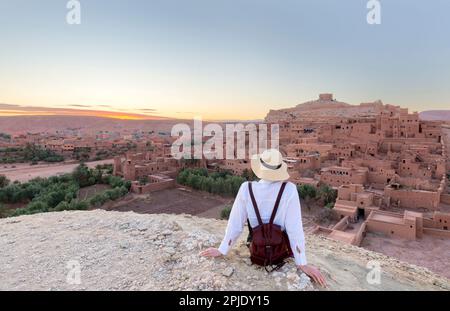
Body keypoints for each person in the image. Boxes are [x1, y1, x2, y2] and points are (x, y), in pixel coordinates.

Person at [200, 149, 327, 287]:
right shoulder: (289, 189)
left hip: (257, 253)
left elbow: (235, 224)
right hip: (281, 253)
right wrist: (302, 263)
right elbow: (294, 229)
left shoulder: (246, 188)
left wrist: (222, 249)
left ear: (260, 168)